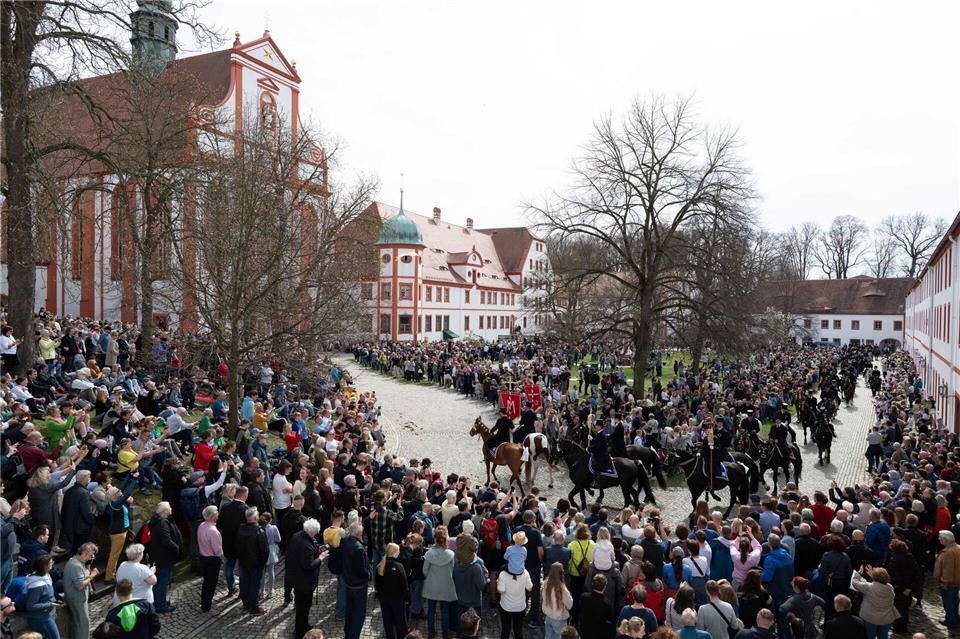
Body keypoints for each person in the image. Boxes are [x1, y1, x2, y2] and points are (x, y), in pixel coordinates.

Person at [286, 518, 329, 639]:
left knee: (302, 607)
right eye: (316, 533)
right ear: (312, 531)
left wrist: (318, 549)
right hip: (304, 582)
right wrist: (320, 557)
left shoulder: (297, 536)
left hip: (297, 578)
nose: (316, 535)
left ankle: (303, 626)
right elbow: (308, 565)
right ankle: (300, 631)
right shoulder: (305, 544)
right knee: (303, 607)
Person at [423, 526, 458, 639]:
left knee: (431, 611)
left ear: (435, 539)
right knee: (444, 612)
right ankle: (445, 634)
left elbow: (425, 570)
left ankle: (431, 632)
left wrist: (430, 578)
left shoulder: (429, 554)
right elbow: (452, 571)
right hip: (446, 586)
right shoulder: (450, 554)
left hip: (432, 585)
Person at [146, 502, 181, 613]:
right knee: (163, 582)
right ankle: (160, 605)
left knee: (158, 581)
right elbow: (166, 540)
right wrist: (176, 547)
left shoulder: (156, 521)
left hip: (157, 555)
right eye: (169, 507)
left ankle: (157, 601)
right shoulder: (163, 523)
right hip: (164, 557)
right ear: (165, 511)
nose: (171, 509)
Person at [236, 507, 269, 615]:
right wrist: (263, 562)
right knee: (254, 585)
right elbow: (265, 550)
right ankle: (254, 607)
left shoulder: (240, 530)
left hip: (243, 562)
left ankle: (246, 605)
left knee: (244, 583)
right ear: (255, 517)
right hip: (256, 564)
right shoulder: (259, 532)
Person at [342, 521, 371, 639]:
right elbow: (361, 571)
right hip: (358, 586)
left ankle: (347, 635)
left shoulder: (346, 541)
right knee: (358, 615)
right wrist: (368, 574)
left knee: (349, 613)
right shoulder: (358, 548)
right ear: (360, 534)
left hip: (348, 583)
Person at [850, 566, 897, 639]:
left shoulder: (869, 587)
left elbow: (855, 582)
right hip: (886, 618)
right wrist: (873, 575)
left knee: (869, 636)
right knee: (883, 636)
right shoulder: (890, 587)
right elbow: (880, 582)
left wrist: (858, 572)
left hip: (870, 618)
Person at [63, 542, 98, 639]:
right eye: (90, 555)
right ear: (84, 553)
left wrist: (89, 564)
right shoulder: (75, 566)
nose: (91, 557)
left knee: (78, 623)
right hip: (77, 599)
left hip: (77, 598)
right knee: (83, 624)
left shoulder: (78, 562)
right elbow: (80, 586)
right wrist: (92, 575)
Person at [375, 542, 410, 639]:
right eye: (398, 550)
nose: (399, 552)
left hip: (384, 600)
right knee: (401, 624)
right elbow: (404, 586)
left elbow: (377, 585)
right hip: (397, 600)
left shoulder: (379, 566)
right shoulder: (399, 566)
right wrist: (407, 599)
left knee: (388, 624)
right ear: (394, 552)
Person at [59, 470, 95, 556]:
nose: (90, 479)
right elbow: (86, 512)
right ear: (83, 479)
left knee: (74, 549)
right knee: (82, 551)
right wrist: (92, 521)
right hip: (81, 528)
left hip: (70, 526)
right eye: (88, 477)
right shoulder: (84, 493)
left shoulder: (69, 490)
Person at [25, 555, 61, 639]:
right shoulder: (36, 586)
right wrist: (50, 604)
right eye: (51, 563)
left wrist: (55, 601)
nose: (53, 563)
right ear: (45, 566)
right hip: (41, 619)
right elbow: (31, 606)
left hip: (49, 615)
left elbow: (49, 595)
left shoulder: (46, 575)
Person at [196, 506, 223, 613]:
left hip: (203, 558)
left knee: (206, 582)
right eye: (216, 513)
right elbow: (218, 550)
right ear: (212, 516)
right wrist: (223, 560)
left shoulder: (201, 526)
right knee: (211, 584)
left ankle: (204, 602)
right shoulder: (213, 531)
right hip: (212, 560)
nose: (218, 514)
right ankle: (207, 606)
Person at [498, 557, 533, 639]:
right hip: (520, 607)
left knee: (505, 631)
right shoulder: (525, 572)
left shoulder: (503, 574)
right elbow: (530, 588)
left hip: (506, 607)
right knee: (518, 631)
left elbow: (501, 590)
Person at [934, 530, 960, 627]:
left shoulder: (949, 552)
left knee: (948, 601)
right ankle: (956, 618)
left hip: (949, 582)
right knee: (955, 600)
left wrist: (944, 582)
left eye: (940, 537)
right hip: (957, 580)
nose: (939, 539)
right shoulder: (958, 548)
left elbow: (947, 570)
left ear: (946, 539)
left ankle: (951, 620)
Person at [543, 562, 574, 639]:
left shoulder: (545, 583)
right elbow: (570, 604)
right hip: (559, 619)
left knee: (548, 636)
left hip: (548, 616)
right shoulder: (562, 588)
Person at [579, 573, 614, 638]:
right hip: (599, 634)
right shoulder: (607, 604)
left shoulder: (583, 597)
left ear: (592, 584)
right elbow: (610, 620)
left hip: (584, 632)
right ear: (605, 586)